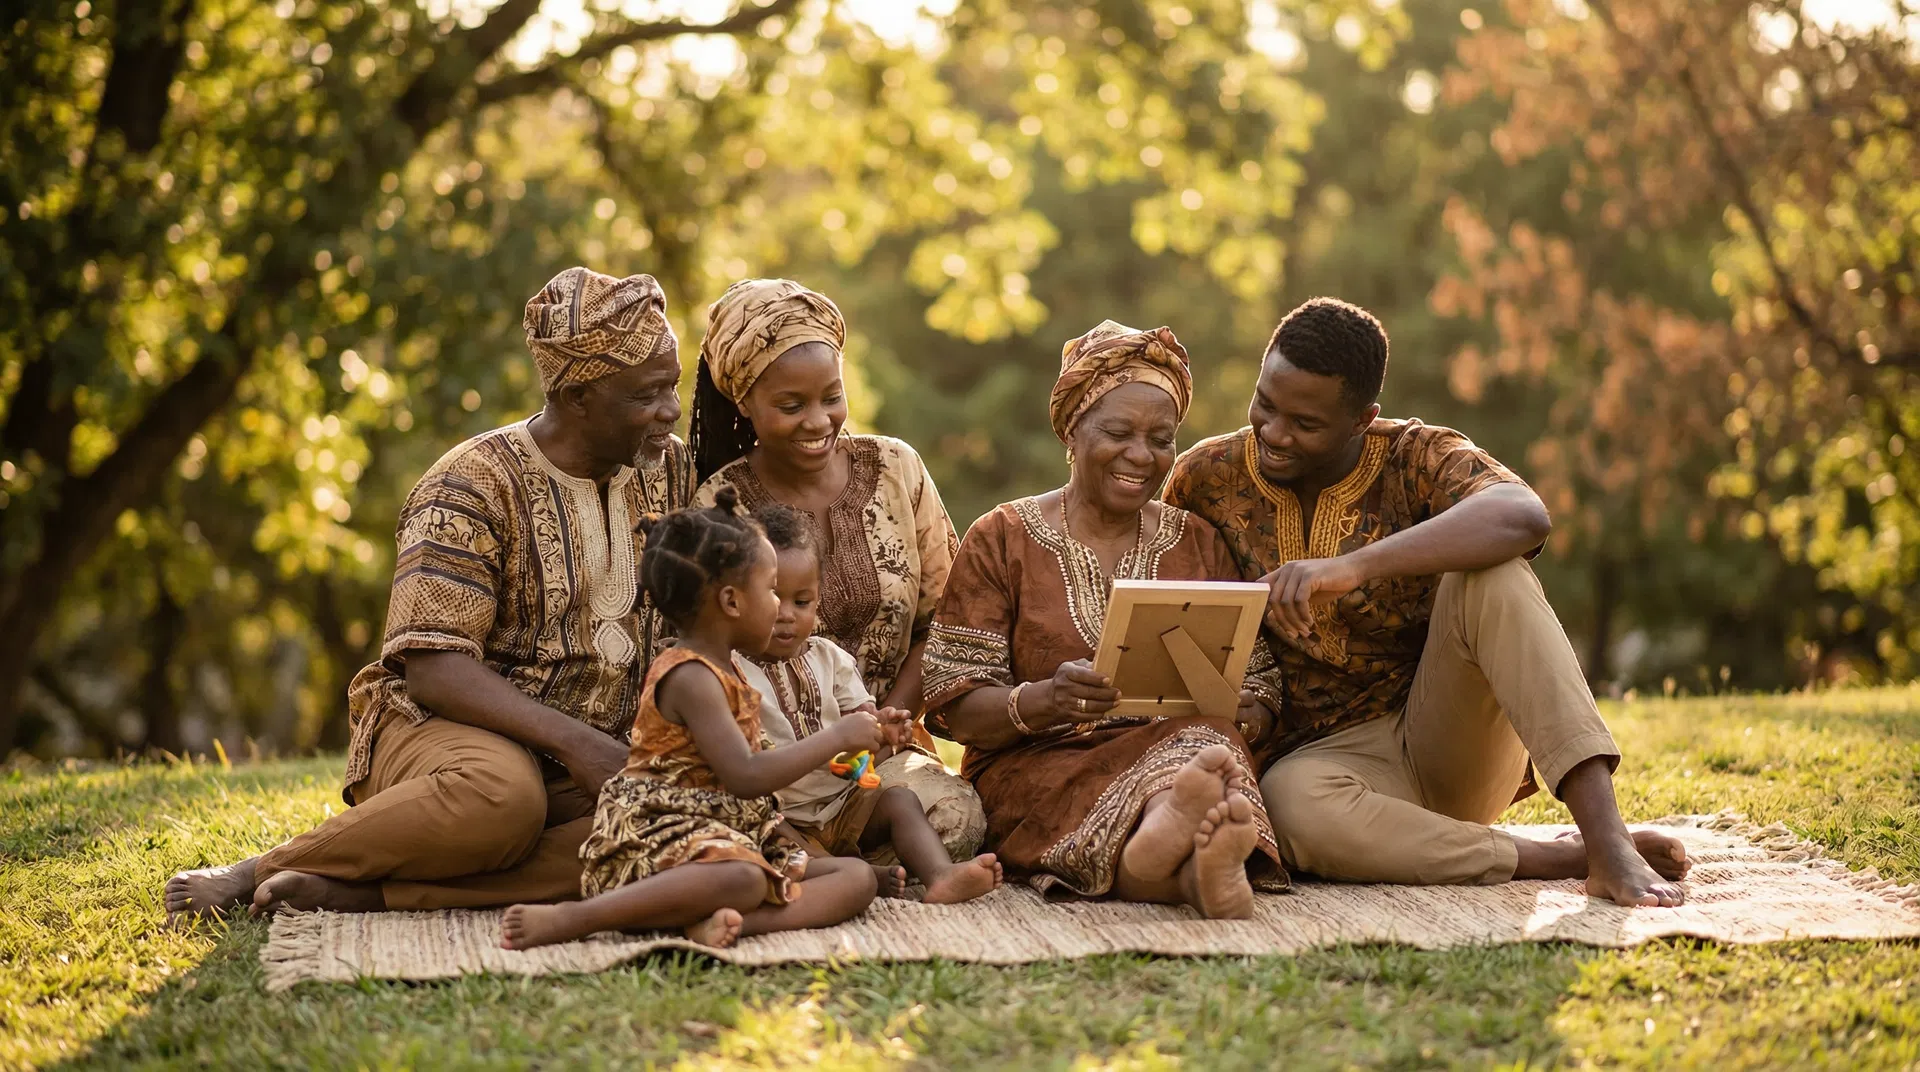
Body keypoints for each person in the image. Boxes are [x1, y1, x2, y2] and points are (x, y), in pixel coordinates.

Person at [164, 268, 696, 918]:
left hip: (592, 755)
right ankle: (258, 871)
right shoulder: (471, 483)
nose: (671, 410)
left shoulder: (670, 470)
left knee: (682, 819)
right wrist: (576, 743)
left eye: (673, 385)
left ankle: (369, 893)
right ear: (579, 395)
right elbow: (435, 671)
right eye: (648, 394)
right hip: (449, 734)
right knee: (506, 802)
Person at [1161, 297, 1692, 907]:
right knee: (1287, 805)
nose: (1275, 433)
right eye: (1265, 404)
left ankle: (1606, 839)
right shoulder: (1205, 478)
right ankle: (1562, 855)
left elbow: (1523, 515)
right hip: (1322, 770)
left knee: (1495, 577)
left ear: (1363, 420)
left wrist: (1351, 567)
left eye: (1305, 424)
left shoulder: (1415, 456)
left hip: (1447, 740)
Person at [923, 320, 1289, 919]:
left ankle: (1184, 862)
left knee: (1207, 746)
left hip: (1175, 743)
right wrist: (1044, 700)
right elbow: (955, 705)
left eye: (1161, 438)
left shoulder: (1197, 541)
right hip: (1038, 762)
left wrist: (1247, 707)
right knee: (1196, 768)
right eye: (1118, 432)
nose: (1142, 456)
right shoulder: (1002, 537)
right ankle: (1178, 851)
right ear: (1072, 430)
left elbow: (1259, 679)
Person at [501, 493, 882, 950]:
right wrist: (836, 736)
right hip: (664, 839)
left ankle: (724, 924)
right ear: (732, 602)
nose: (781, 606)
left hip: (732, 837)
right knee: (743, 878)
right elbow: (745, 776)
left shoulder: (730, 668)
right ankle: (578, 917)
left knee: (856, 878)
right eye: (773, 589)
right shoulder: (690, 676)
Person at [689, 277, 984, 857]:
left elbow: (945, 616)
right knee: (732, 826)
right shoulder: (718, 503)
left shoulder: (899, 468)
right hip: (769, 754)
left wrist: (884, 726)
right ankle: (826, 856)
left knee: (956, 821)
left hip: (884, 743)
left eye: (832, 397)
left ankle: (829, 855)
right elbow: (709, 651)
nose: (819, 421)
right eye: (791, 406)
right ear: (744, 404)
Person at [735, 504, 1002, 903]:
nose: (786, 616)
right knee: (768, 838)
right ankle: (858, 876)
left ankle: (940, 875)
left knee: (899, 800)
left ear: (819, 600)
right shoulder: (731, 671)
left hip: (840, 803)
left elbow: (861, 735)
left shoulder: (829, 659)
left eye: (802, 602)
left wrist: (883, 728)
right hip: (779, 815)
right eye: (773, 598)